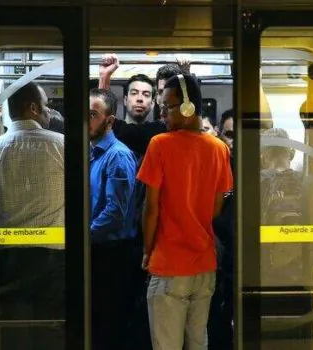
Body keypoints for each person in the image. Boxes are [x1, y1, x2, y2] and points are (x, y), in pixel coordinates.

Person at [137, 74, 233, 350]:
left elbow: (151, 207)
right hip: (204, 266)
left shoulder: (160, 144)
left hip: (169, 264)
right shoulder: (218, 149)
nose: (163, 113)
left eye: (168, 107)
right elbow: (216, 207)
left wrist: (147, 249)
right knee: (198, 342)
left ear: (188, 107)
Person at [0, 82, 65, 350]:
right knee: (51, 327)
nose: (49, 113)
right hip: (53, 254)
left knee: (14, 327)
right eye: (46, 106)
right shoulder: (62, 146)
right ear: (33, 108)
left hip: (9, 254)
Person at [88, 88, 139, 350]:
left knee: (110, 327)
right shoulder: (90, 152)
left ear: (109, 121)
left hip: (112, 253)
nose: (87, 120)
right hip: (97, 249)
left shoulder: (117, 156)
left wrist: (83, 236)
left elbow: (115, 213)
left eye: (93, 115)